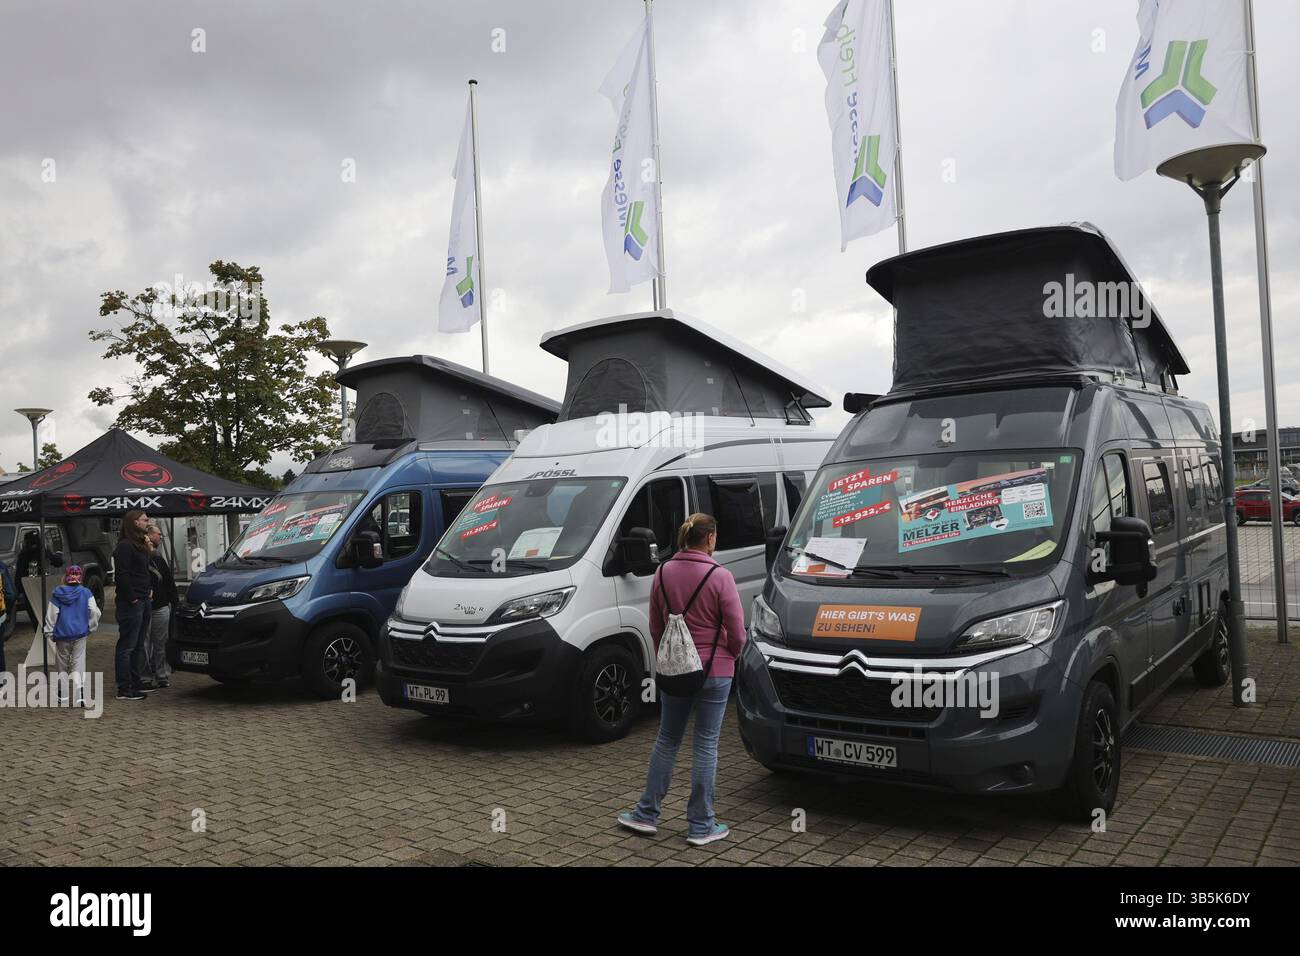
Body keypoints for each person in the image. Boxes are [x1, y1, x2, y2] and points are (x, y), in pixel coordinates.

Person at [617, 513, 746, 847]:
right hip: (716, 671)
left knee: (668, 738)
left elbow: (656, 626)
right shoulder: (721, 576)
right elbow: (737, 631)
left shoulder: (662, 572)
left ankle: (646, 814)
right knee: (705, 743)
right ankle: (701, 825)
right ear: (710, 538)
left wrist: (667, 658)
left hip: (676, 671)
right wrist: (729, 655)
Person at [44, 565, 101, 707]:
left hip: (62, 634)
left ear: (66, 577)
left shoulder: (57, 593)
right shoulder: (86, 592)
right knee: (78, 663)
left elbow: (51, 614)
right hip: (80, 633)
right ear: (80, 577)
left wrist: (49, 631)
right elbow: (95, 611)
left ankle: (62, 697)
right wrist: (91, 626)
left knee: (61, 665)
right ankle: (79, 696)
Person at [113, 509, 154, 701]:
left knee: (138, 644)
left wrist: (148, 591)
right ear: (134, 523)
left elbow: (144, 570)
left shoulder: (140, 545)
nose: (148, 522)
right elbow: (122, 575)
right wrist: (133, 598)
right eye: (145, 520)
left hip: (144, 599)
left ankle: (136, 682)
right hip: (132, 602)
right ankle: (124, 687)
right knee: (127, 645)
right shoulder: (125, 546)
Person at [143, 523, 177, 688]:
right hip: (144, 606)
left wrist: (174, 602)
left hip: (161, 606)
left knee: (161, 642)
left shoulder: (158, 559)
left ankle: (162, 674)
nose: (160, 537)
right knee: (144, 643)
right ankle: (146, 676)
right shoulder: (140, 559)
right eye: (158, 534)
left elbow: (169, 582)